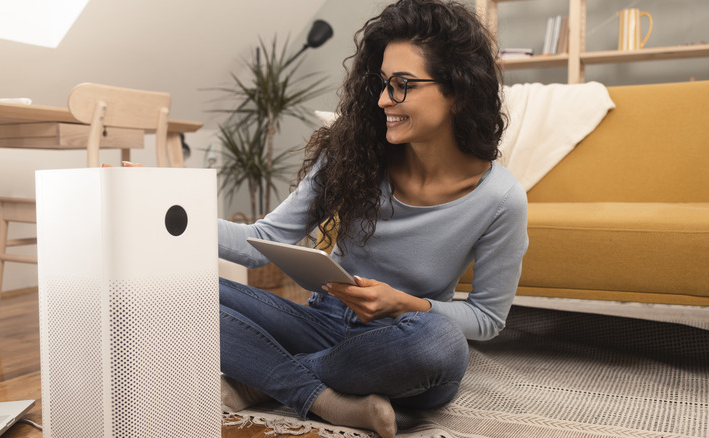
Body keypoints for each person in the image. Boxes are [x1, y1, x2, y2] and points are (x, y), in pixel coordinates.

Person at [217, 1, 528, 436]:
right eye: (382, 83)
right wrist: (167, 214)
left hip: (399, 339)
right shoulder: (351, 154)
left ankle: (264, 378)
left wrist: (402, 303)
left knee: (441, 346)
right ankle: (324, 398)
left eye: (401, 85)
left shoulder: (501, 199)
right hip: (321, 322)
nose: (383, 100)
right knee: (179, 290)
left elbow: (486, 319)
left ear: (458, 89)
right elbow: (261, 240)